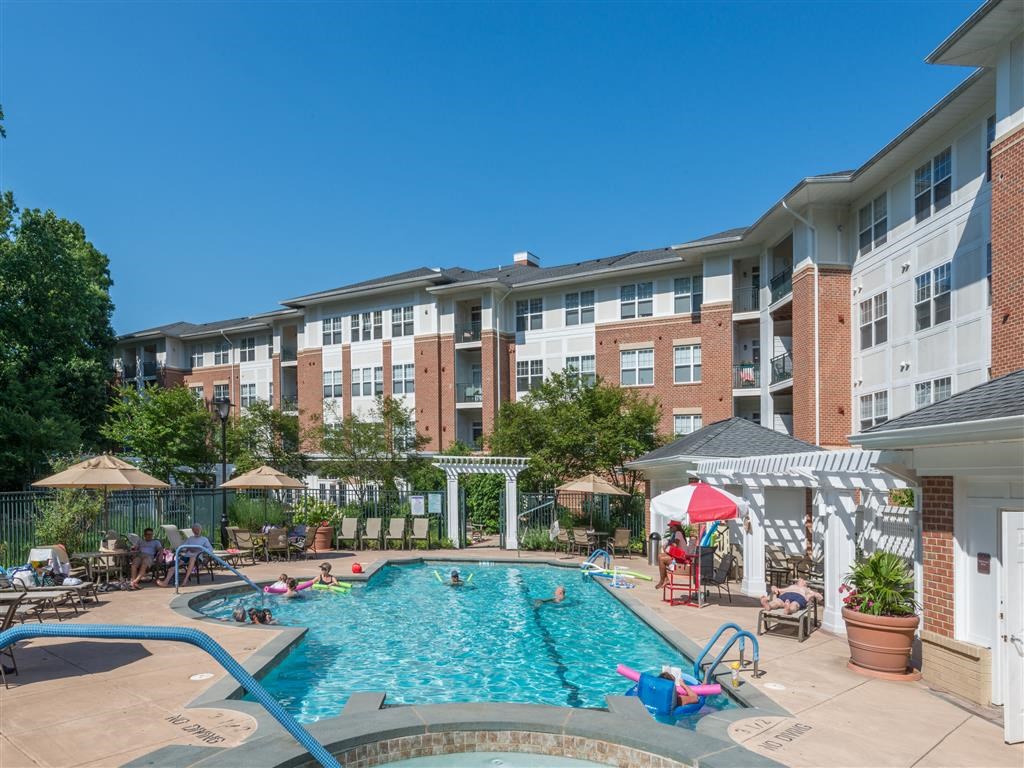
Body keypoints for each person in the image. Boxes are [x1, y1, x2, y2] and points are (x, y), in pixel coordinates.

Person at [655, 521, 690, 590]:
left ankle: (663, 580)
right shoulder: (675, 534)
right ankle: (665, 579)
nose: (670, 529)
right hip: (678, 557)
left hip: (681, 559)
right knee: (660, 556)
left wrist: (667, 547)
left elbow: (675, 545)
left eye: (671, 527)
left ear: (676, 527)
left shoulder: (678, 533)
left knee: (661, 559)